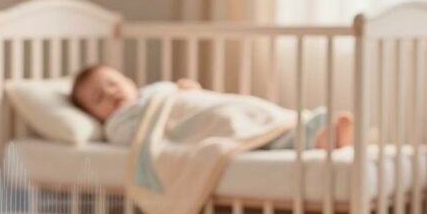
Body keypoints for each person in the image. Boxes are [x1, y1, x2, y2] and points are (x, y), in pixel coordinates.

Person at [70, 64, 354, 148]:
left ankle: (311, 122)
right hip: (195, 123)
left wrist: (189, 90)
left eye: (112, 83)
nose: (109, 94)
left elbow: (190, 101)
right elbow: (140, 137)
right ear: (96, 116)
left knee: (251, 108)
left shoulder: (153, 90)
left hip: (207, 105)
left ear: (129, 81)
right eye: (98, 99)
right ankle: (315, 139)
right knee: (240, 127)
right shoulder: (116, 126)